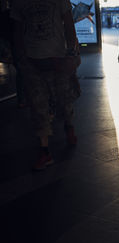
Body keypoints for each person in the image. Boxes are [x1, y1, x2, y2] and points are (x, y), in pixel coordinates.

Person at [11, 0, 80, 170]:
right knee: (37, 105)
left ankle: (68, 125)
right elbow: (17, 30)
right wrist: (20, 58)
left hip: (58, 60)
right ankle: (44, 151)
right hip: (32, 62)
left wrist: (71, 53)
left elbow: (69, 23)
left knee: (64, 99)